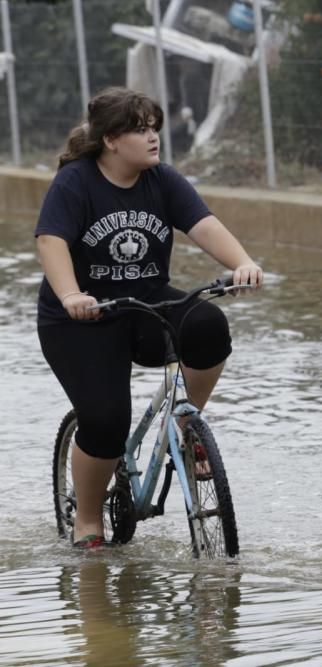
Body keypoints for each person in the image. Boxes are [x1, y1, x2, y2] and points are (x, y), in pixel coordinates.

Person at [35, 87, 263, 548]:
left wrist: (243, 262)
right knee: (105, 422)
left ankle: (184, 426)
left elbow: (204, 224)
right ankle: (87, 520)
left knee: (208, 324)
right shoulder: (76, 182)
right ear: (112, 140)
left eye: (154, 125)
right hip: (82, 318)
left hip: (146, 303)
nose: (153, 136)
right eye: (140, 128)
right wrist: (71, 294)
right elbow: (50, 242)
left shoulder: (163, 179)